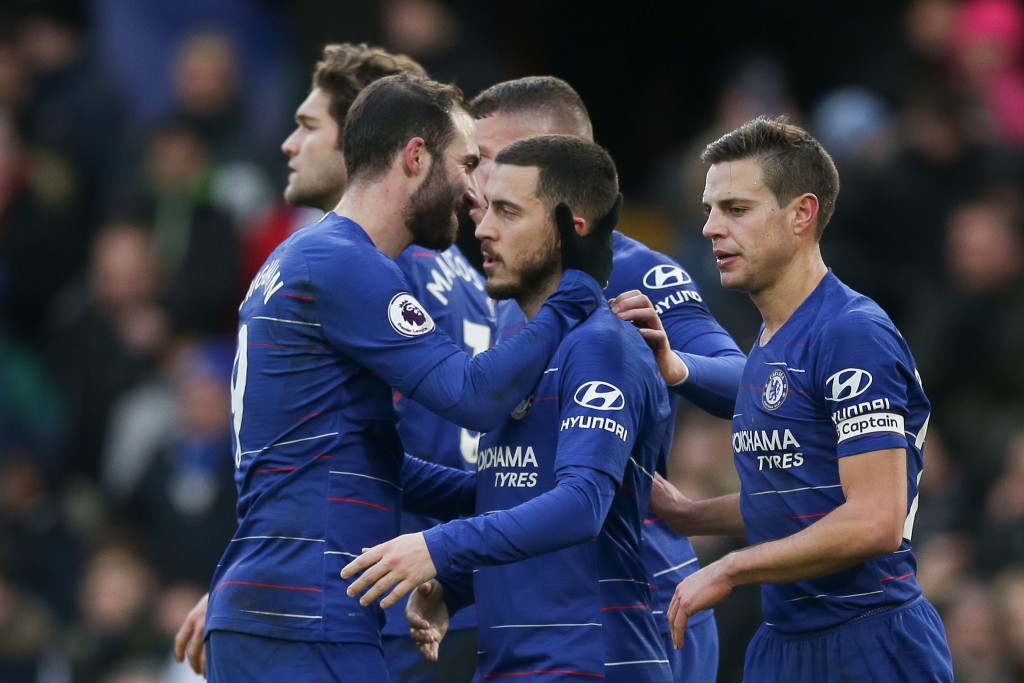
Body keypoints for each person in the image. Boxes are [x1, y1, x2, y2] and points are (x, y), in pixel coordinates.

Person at [197, 72, 614, 683]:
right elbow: (473, 396)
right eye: (467, 162)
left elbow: (371, 461)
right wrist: (573, 295)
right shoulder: (344, 262)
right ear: (417, 157)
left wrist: (510, 496)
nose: (474, 191)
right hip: (306, 615)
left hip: (276, 604)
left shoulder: (305, 258)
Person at [170, 44, 495, 682]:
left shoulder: (366, 263)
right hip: (369, 596)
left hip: (388, 599)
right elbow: (386, 440)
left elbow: (370, 452)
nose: (291, 144)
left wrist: (256, 586)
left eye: (309, 126)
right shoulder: (398, 267)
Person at [616, 115, 954, 682]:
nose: (710, 229)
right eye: (708, 210)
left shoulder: (851, 333)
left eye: (736, 210)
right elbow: (803, 498)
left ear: (802, 213)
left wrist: (731, 569)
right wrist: (689, 514)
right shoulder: (770, 342)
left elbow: (874, 519)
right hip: (784, 644)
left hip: (869, 641)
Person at [342, 133, 674, 682]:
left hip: (590, 665)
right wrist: (454, 583)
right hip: (511, 665)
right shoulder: (521, 345)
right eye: (486, 208)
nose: (482, 229)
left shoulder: (602, 345)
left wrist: (436, 545)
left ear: (574, 228)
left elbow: (581, 506)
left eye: (508, 212)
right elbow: (513, 493)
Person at [466, 76, 746, 681]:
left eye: (488, 161)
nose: (472, 182)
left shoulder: (636, 270)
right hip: (547, 607)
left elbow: (746, 383)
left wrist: (677, 364)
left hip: (639, 605)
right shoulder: (509, 283)